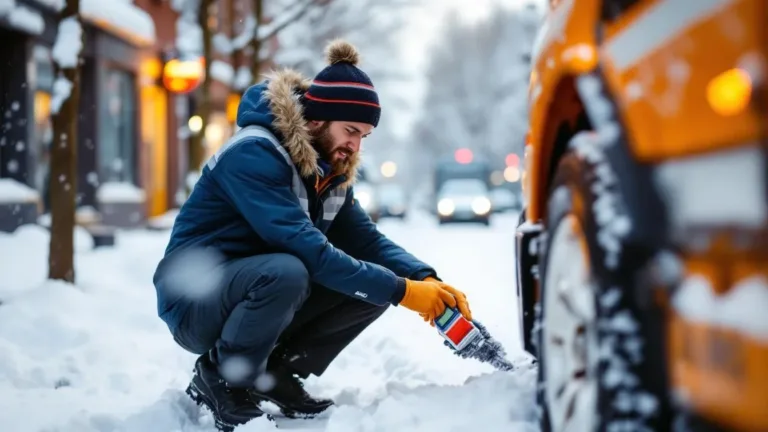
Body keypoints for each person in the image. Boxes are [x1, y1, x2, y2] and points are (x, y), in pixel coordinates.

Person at [153, 39, 473, 430]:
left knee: (371, 277)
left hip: (252, 286)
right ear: (317, 120)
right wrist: (403, 292)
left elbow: (367, 242)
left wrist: (424, 279)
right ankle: (222, 378)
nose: (355, 146)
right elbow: (304, 247)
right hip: (195, 299)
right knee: (290, 269)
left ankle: (275, 374)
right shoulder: (255, 153)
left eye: (364, 137)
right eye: (350, 131)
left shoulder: (330, 174)